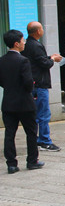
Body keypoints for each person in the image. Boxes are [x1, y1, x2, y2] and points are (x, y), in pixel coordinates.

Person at [1, 30, 44, 174]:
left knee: (9, 133)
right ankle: (32, 161)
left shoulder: (2, 60)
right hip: (25, 102)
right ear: (16, 44)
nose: (24, 42)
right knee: (31, 132)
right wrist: (30, 87)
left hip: (8, 102)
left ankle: (11, 164)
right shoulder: (23, 61)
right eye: (22, 40)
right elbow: (28, 83)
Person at [22, 21, 63, 152]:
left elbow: (38, 60)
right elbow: (43, 63)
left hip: (34, 83)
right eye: (41, 28)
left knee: (37, 114)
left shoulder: (27, 44)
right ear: (38, 31)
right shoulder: (36, 45)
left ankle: (39, 139)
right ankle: (45, 140)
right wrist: (52, 60)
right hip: (40, 84)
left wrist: (49, 57)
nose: (43, 30)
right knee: (43, 114)